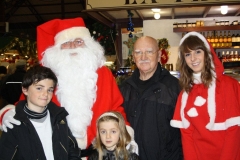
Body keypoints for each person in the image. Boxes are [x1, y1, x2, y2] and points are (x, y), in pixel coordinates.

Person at [0, 17, 135, 158]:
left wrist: (126, 135)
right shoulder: (47, 74)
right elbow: (29, 101)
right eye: (66, 43)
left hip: (97, 153)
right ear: (57, 49)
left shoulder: (103, 74)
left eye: (78, 41)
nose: (73, 47)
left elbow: (116, 109)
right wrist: (8, 113)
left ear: (88, 44)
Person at [170, 32, 240, 160]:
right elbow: (187, 136)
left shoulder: (228, 85)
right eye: (187, 54)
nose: (193, 58)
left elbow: (234, 131)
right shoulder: (185, 93)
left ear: (207, 53)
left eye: (197, 52)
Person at [119, 36, 183, 160]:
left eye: (149, 52)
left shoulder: (174, 88)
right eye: (138, 53)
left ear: (159, 55)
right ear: (133, 57)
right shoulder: (124, 88)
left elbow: (185, 133)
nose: (143, 57)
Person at [0, 65, 81, 159]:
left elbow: (72, 150)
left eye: (50, 90)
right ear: (25, 90)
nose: (45, 94)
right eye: (39, 88)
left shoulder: (59, 117)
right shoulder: (14, 124)